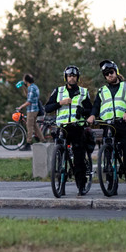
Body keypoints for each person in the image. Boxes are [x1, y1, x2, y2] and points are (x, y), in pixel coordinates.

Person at [87, 60, 126, 196]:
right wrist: (92, 115)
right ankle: (111, 185)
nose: (109, 75)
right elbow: (96, 106)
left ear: (116, 72)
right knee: (108, 157)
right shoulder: (102, 91)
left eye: (111, 72)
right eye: (106, 74)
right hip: (108, 126)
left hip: (123, 125)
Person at [45, 65, 93, 196]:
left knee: (78, 158)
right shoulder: (59, 91)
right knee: (61, 155)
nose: (72, 78)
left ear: (77, 78)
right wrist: (60, 103)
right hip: (62, 127)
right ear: (66, 77)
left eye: (74, 76)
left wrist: (83, 111)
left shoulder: (83, 92)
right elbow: (47, 108)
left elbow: (91, 110)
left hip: (77, 127)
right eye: (69, 76)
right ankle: (61, 184)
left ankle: (81, 186)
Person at [16, 73, 44, 151]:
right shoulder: (34, 87)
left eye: (24, 80)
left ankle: (28, 144)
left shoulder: (31, 88)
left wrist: (21, 107)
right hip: (35, 109)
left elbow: (29, 101)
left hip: (32, 110)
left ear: (26, 80)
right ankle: (43, 140)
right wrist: (23, 87)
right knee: (35, 126)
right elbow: (27, 95)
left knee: (29, 126)